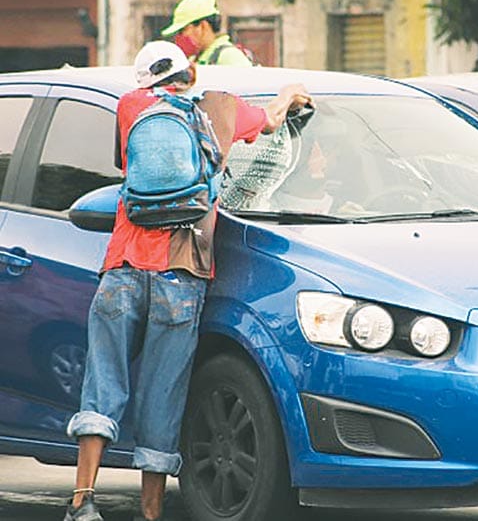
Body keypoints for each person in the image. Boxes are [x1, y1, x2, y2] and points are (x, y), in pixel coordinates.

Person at [63, 40, 312, 521]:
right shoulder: (224, 110)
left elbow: (129, 170)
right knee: (164, 391)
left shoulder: (132, 107)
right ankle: (151, 512)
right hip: (183, 276)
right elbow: (275, 119)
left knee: (103, 383)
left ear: (145, 82)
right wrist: (289, 93)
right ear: (190, 74)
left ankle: (83, 501)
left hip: (123, 271)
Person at [161, 0, 254, 66]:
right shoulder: (194, 60)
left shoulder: (229, 57)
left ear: (203, 26)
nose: (181, 36)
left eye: (183, 30)